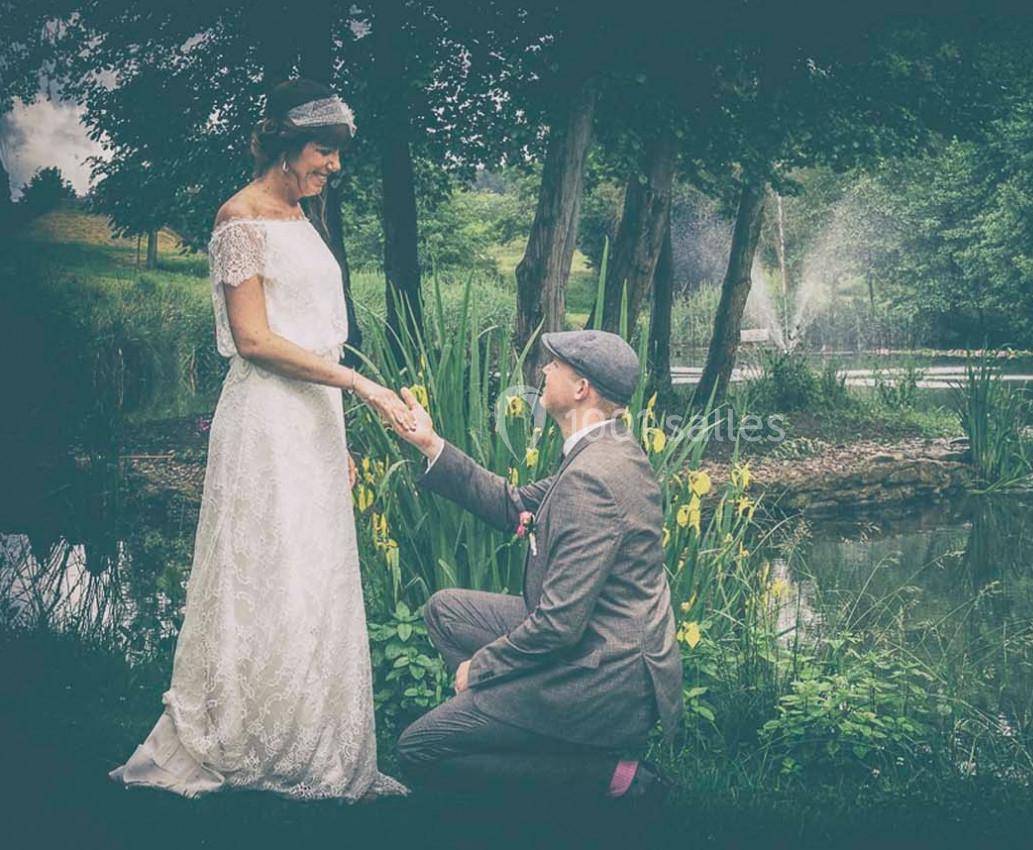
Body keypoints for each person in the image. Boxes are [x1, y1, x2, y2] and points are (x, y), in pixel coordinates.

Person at [109, 79, 410, 800]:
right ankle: (246, 737)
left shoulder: (305, 218)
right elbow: (254, 340)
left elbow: (311, 324)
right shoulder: (238, 220)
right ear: (284, 145)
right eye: (323, 150)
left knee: (312, 574)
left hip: (313, 421)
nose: (333, 166)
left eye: (336, 154)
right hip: (268, 421)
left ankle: (310, 735)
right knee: (266, 573)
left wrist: (335, 435)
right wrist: (360, 385)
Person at [390, 330, 682, 809]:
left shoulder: (594, 479)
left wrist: (478, 670)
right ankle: (517, 728)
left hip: (602, 679)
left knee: (419, 748)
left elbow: (559, 626)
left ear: (581, 388)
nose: (544, 371)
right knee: (447, 611)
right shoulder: (609, 449)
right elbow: (516, 506)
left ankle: (611, 775)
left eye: (555, 365)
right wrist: (431, 445)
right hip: (602, 648)